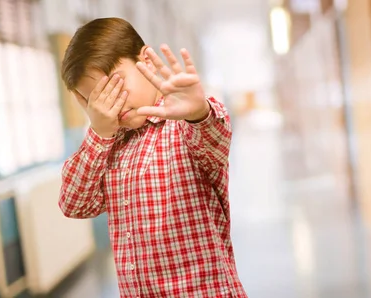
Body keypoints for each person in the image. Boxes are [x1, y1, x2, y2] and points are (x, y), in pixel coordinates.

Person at [58, 17, 247, 298]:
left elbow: (213, 140)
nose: (114, 106)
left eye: (117, 87)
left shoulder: (184, 126)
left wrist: (197, 113)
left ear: (145, 60)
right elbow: (74, 203)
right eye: (97, 101)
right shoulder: (108, 147)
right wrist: (98, 133)